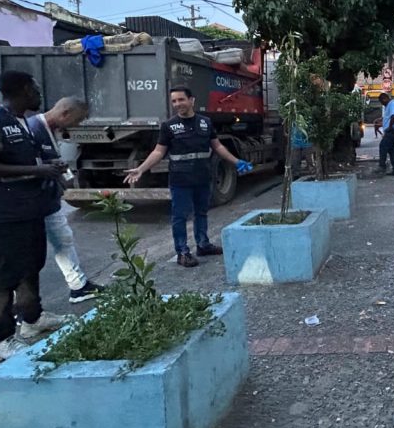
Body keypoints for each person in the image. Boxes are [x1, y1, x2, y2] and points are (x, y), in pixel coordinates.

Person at [0, 71, 68, 361]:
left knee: (30, 265)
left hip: (26, 210)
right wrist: (36, 171)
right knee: (2, 275)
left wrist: (47, 166)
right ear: (24, 89)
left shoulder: (21, 122)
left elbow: (18, 161)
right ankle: (2, 339)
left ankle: (32, 320)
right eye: (35, 88)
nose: (38, 93)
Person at [124, 86, 253, 267]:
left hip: (202, 177)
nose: (177, 104)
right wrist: (141, 169)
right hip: (180, 180)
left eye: (181, 100)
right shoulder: (168, 126)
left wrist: (236, 161)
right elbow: (158, 152)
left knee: (202, 213)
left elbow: (217, 147)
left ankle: (203, 244)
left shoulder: (205, 122)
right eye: (174, 101)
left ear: (192, 100)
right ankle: (182, 252)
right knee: (180, 216)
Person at [27, 97, 103, 303]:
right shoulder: (33, 129)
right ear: (65, 114)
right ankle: (25, 307)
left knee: (63, 239)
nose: (77, 126)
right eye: (77, 121)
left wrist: (64, 180)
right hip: (33, 201)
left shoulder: (50, 130)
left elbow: (53, 160)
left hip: (49, 197)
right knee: (31, 252)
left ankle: (78, 286)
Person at [374, 91, 394, 177]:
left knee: (383, 146)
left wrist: (389, 128)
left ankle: (382, 166)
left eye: (382, 102)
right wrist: (380, 122)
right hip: (393, 130)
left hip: (393, 131)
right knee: (392, 150)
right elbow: (388, 118)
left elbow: (393, 116)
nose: (382, 104)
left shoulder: (392, 104)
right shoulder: (388, 106)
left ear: (385, 98)